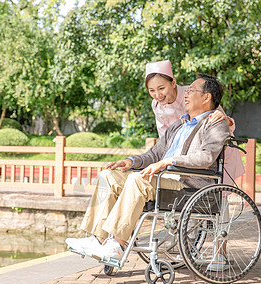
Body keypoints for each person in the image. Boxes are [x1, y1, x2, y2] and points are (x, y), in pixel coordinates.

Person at [66, 73, 230, 262]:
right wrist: (131, 161)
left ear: (206, 97)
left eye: (191, 90)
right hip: (162, 180)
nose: (185, 94)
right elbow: (154, 154)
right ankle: (98, 239)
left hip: (187, 184)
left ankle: (118, 245)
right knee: (108, 176)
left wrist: (169, 161)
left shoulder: (214, 123)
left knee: (137, 180)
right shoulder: (178, 125)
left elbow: (206, 157)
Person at [145, 60, 244, 184]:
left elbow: (218, 118)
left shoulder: (192, 93)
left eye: (161, 88)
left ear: (173, 83)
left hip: (207, 147)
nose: (158, 95)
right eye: (152, 90)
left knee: (218, 188)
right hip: (180, 154)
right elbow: (165, 137)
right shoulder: (156, 105)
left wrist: (223, 117)